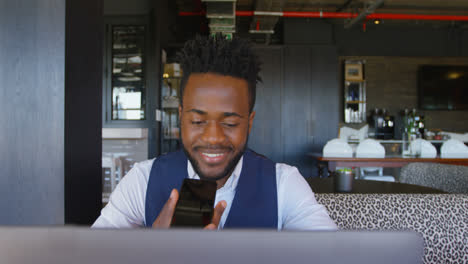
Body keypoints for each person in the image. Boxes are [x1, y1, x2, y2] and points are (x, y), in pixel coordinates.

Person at [93, 34, 337, 230]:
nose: (213, 138)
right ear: (181, 117)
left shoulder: (283, 184)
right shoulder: (142, 181)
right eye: (198, 121)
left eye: (230, 124)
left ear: (250, 122)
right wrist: (154, 251)